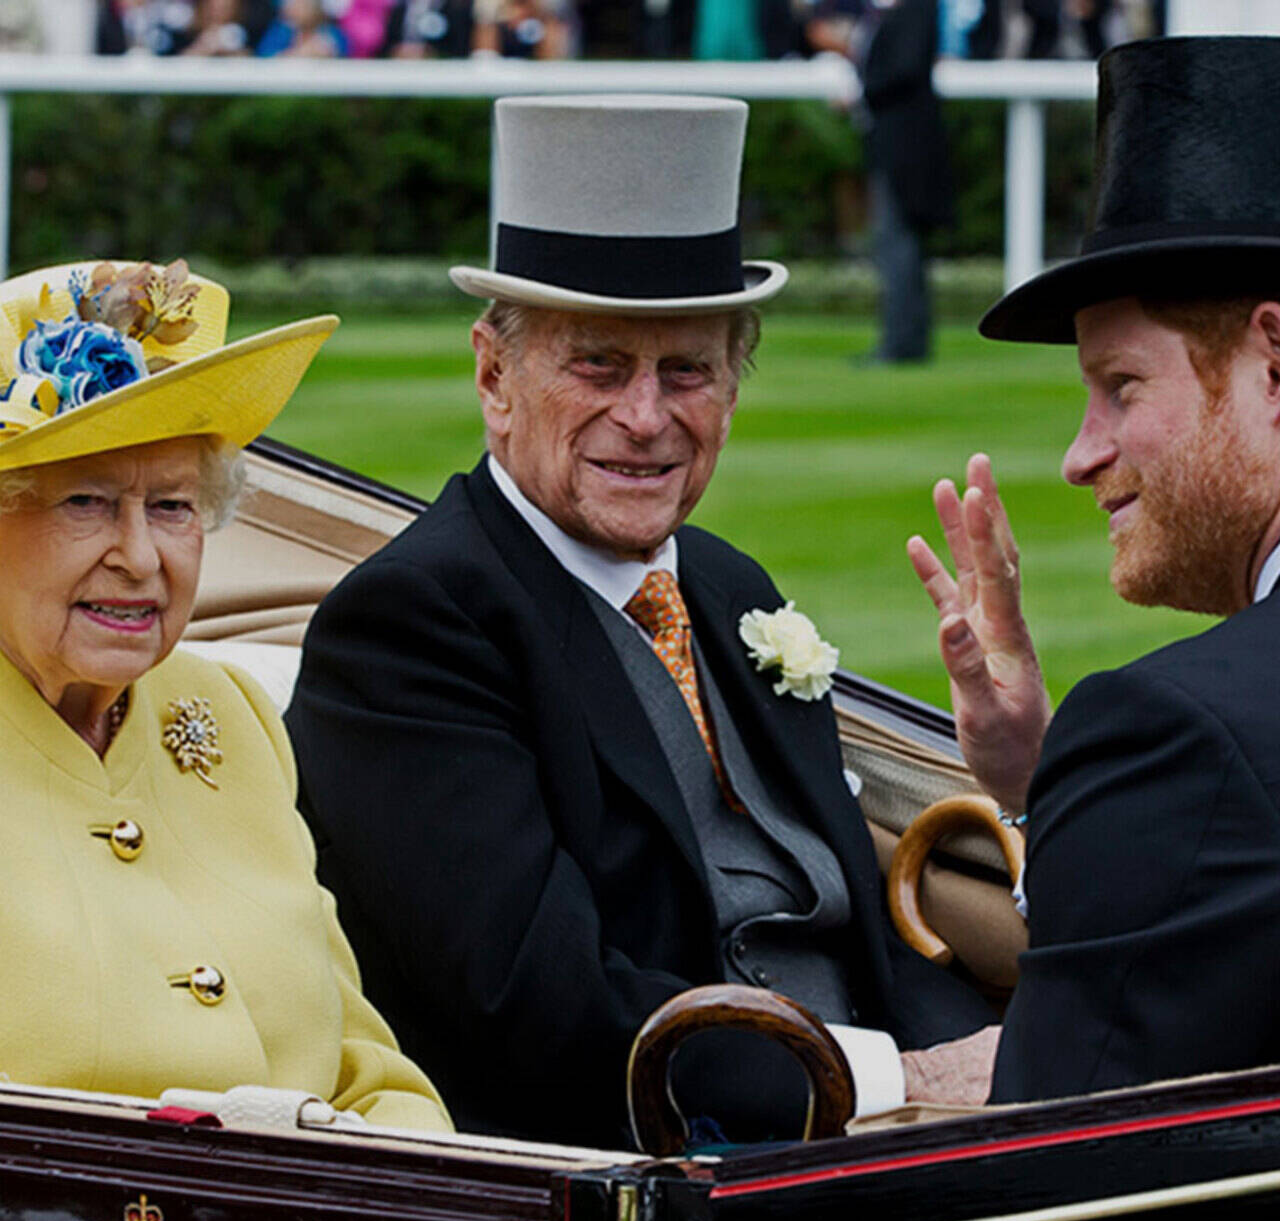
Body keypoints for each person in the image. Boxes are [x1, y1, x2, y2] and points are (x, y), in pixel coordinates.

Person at [287, 94, 995, 1151]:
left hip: (869, 1143)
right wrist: (901, 1078)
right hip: (647, 1182)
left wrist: (1024, 1056)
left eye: (687, 370)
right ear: (493, 375)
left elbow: (860, 936)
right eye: (598, 365)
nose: (646, 417)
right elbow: (536, 1009)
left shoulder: (727, 585)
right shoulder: (410, 625)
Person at [909, 36, 1280, 1102]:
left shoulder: (1175, 737)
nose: (1078, 455)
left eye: (1119, 385)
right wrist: (1039, 791)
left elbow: (1041, 1194)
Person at [0, 258, 450, 1132]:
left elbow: (363, 1070)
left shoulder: (232, 716)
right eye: (87, 503)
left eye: (171, 507)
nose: (140, 556)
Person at [806, 0, 952, 364]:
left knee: (897, 245)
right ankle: (906, 341)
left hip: (906, 148)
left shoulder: (915, 12)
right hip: (893, 145)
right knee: (898, 246)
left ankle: (902, 344)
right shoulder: (888, 15)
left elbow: (903, 69)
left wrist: (861, 93)